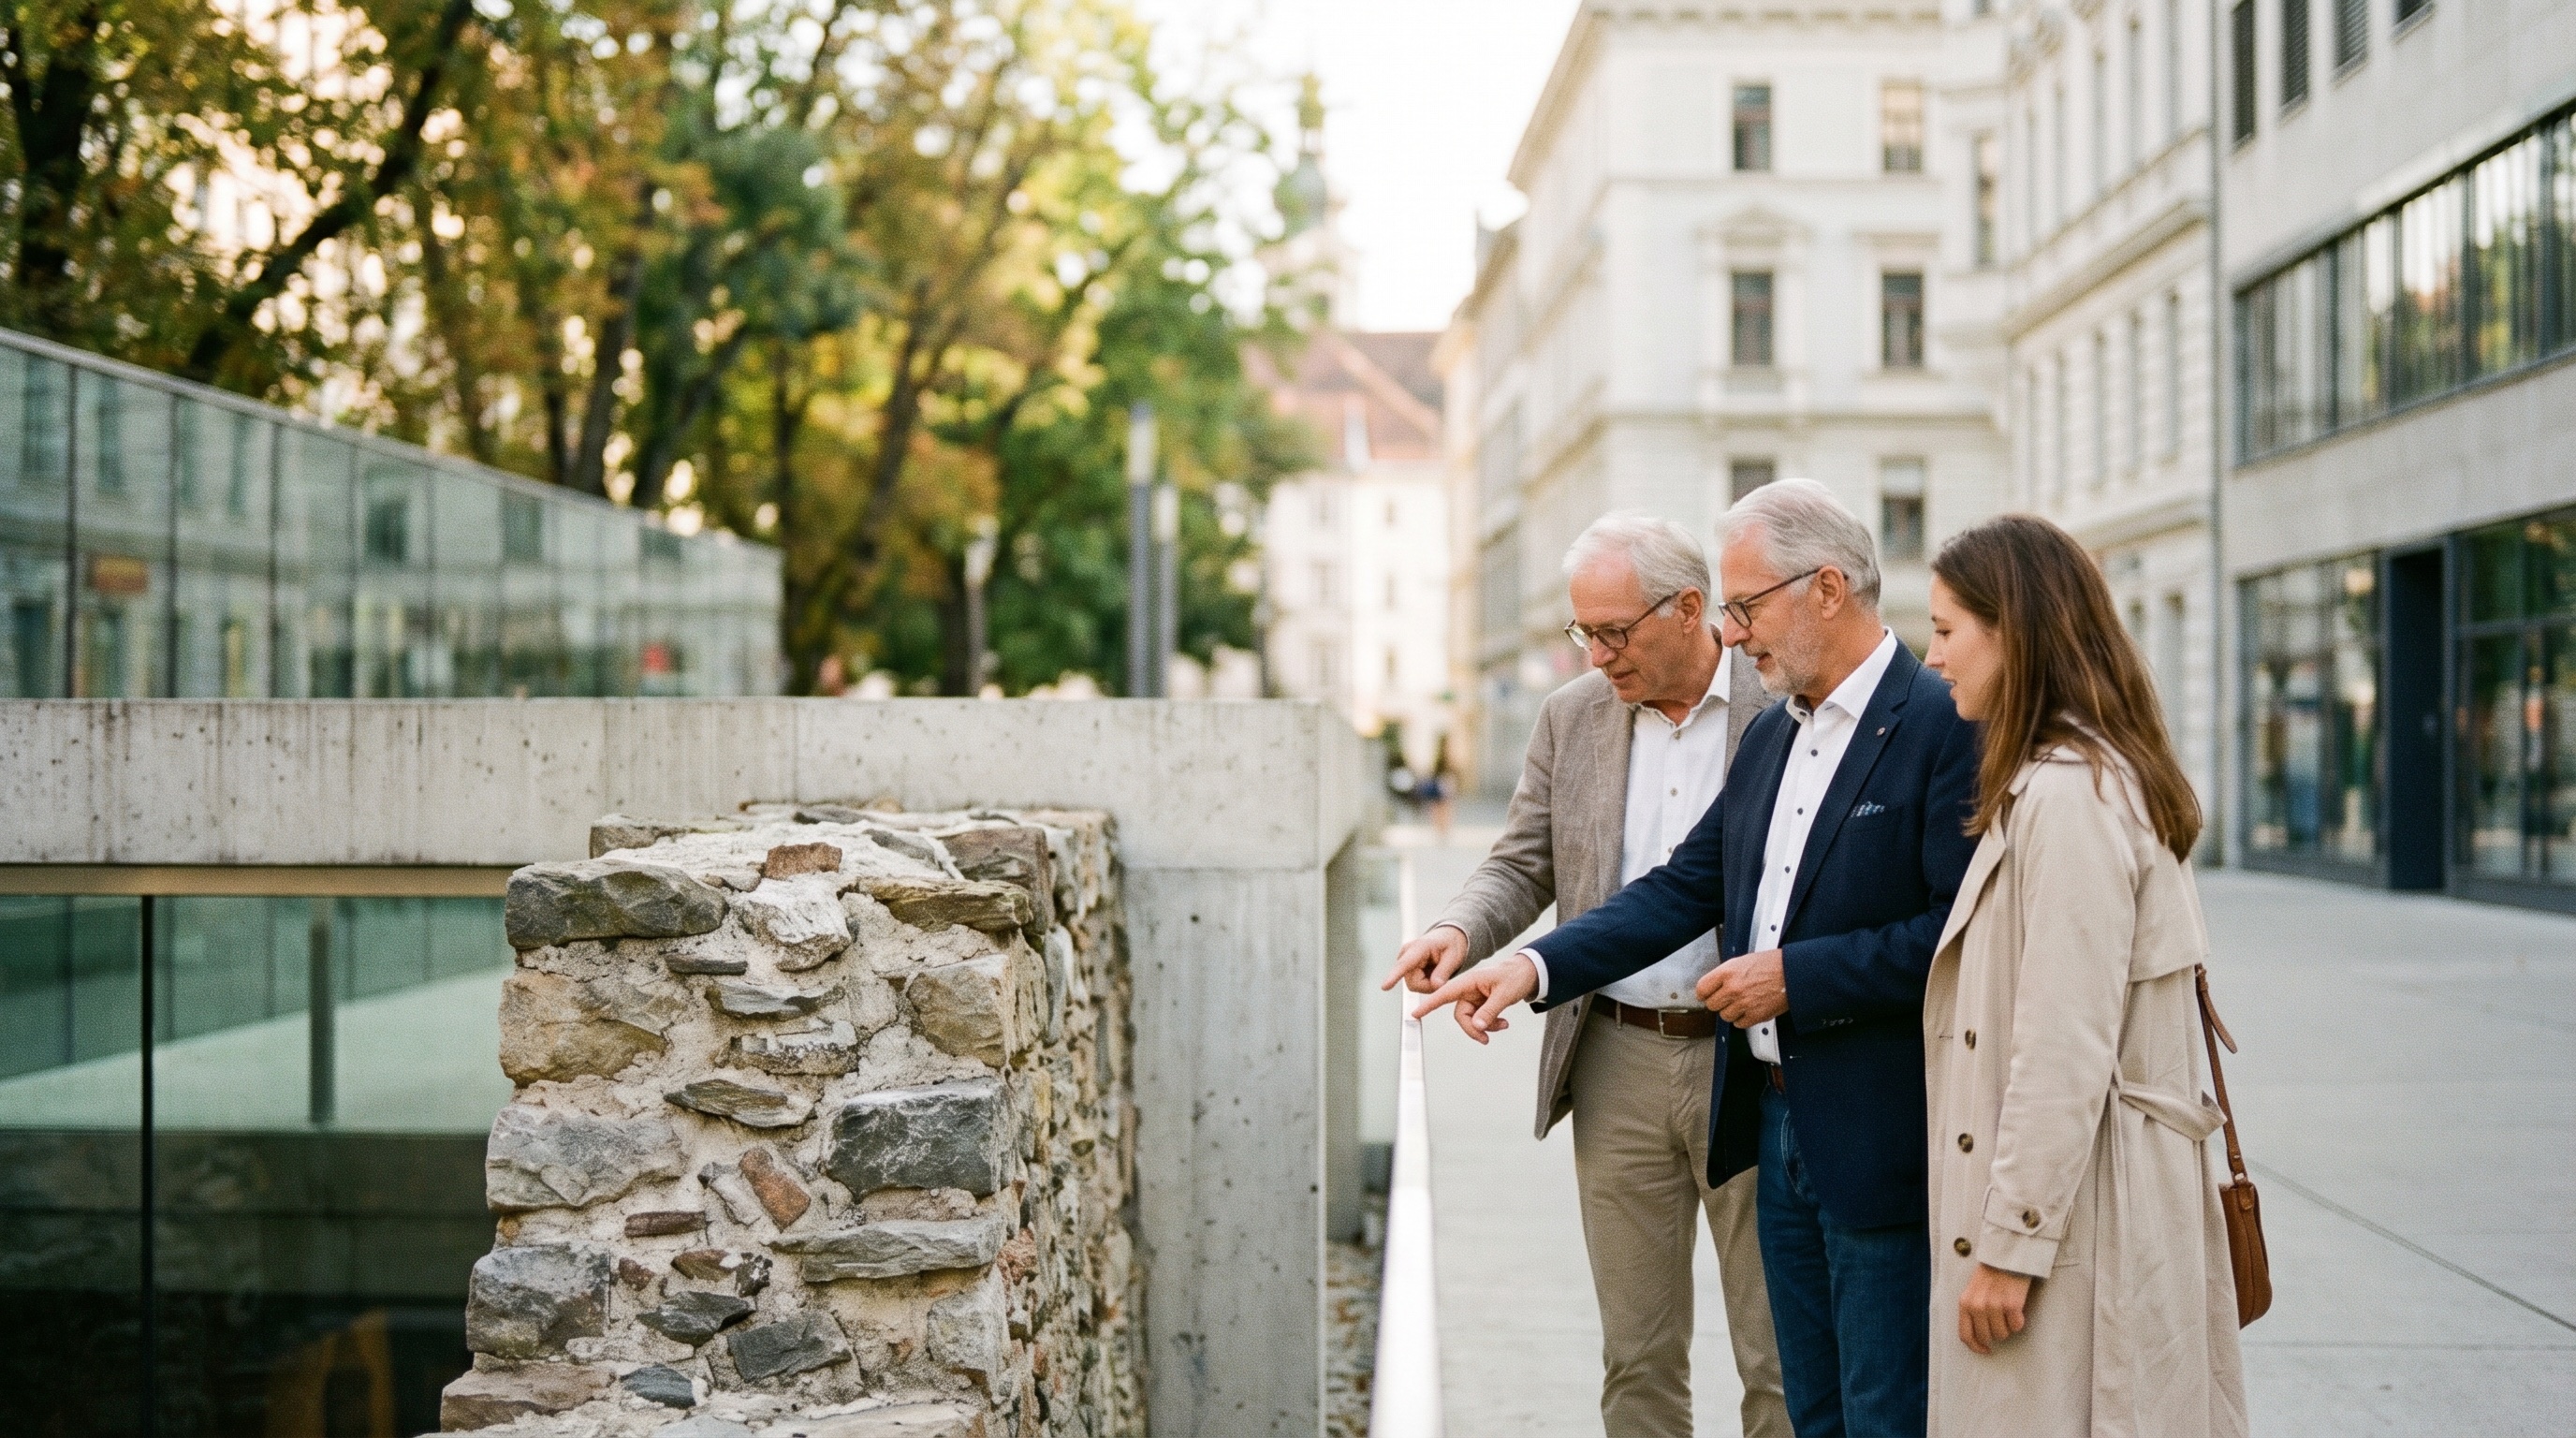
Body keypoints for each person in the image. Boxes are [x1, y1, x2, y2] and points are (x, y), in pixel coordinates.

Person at [1416, 479, 1979, 1437]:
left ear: (1828, 588)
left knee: (1851, 1398)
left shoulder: (1927, 723)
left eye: (1745, 605)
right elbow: (1677, 887)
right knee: (1767, 1389)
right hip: (1709, 1091)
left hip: (1842, 1111)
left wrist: (1793, 978)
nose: (1735, 630)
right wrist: (1528, 965)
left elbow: (1958, 934)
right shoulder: (1774, 731)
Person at [1383, 514, 1790, 1438]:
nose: (1596, 655)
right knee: (1636, 1353)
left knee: (1777, 1354)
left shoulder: (1781, 707)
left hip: (1758, 1068)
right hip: (1616, 1059)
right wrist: (1458, 927)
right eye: (1583, 633)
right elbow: (1523, 861)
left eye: (1614, 631)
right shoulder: (1572, 717)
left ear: (1690, 609)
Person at [1918, 515, 2248, 1435]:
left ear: (2013, 631)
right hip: (2099, 1213)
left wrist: (2009, 1247)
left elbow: (2062, 1043)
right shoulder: (2090, 776)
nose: (1932, 656)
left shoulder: (2068, 795)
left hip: (2081, 1233)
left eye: (1946, 630)